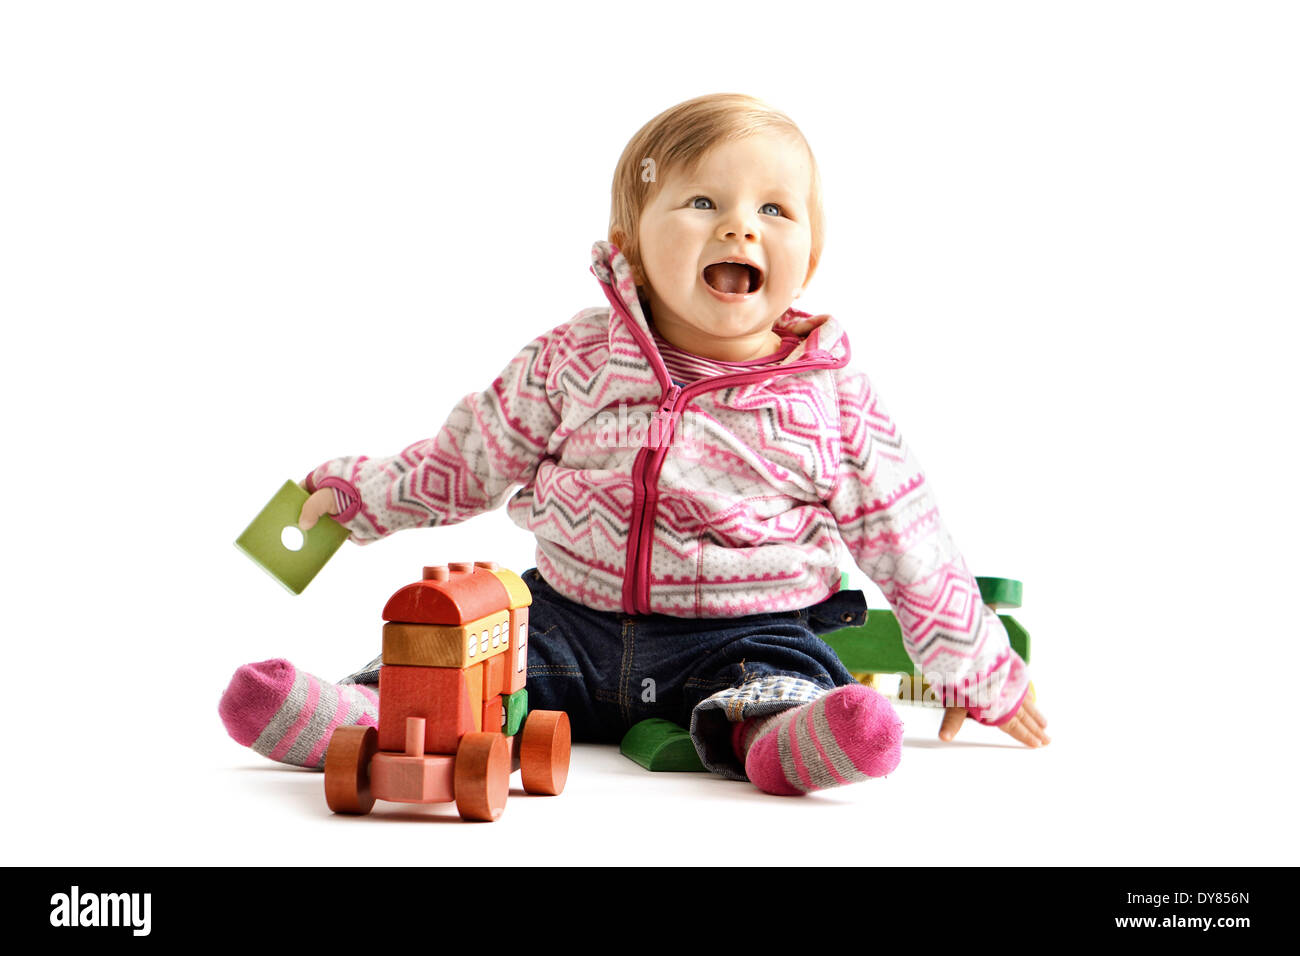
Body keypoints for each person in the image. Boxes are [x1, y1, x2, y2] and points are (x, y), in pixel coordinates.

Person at [220, 93, 1049, 796]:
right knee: (468, 645)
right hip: (566, 621)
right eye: (702, 203)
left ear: (812, 254)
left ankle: (785, 740)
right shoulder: (576, 361)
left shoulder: (828, 398)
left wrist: (982, 674)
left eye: (773, 209)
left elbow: (912, 545)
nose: (740, 229)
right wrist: (359, 496)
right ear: (631, 246)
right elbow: (466, 460)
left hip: (742, 634)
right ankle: (365, 715)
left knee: (782, 680)